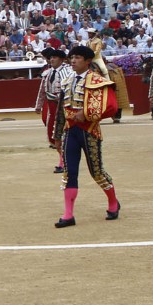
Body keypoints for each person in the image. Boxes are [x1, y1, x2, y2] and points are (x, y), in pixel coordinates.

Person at [55, 45, 121, 229]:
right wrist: (57, 136)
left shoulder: (97, 81)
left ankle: (113, 202)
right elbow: (61, 111)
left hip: (89, 131)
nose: (73, 61)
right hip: (70, 131)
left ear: (87, 61)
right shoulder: (67, 80)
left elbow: (111, 107)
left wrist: (86, 114)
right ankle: (68, 214)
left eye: (77, 57)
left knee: (96, 171)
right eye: (72, 57)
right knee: (69, 173)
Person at [35, 48, 72, 174]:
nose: (51, 59)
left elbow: (69, 89)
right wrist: (39, 105)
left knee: (63, 133)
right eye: (51, 58)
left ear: (61, 60)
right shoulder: (47, 73)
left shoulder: (67, 71)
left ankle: (63, 162)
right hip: (52, 107)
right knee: (53, 133)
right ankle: (63, 159)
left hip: (64, 106)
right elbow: (42, 91)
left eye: (54, 57)